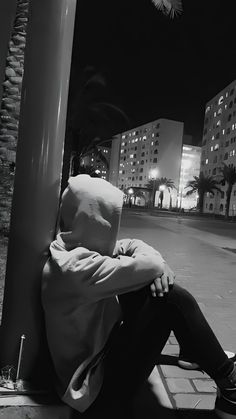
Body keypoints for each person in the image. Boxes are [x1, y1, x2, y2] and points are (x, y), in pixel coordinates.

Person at [41, 175, 236, 419]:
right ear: (94, 221)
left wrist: (157, 266)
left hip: (97, 365)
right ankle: (230, 383)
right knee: (171, 298)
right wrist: (159, 266)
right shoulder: (75, 268)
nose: (115, 228)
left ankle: (201, 356)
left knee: (154, 289)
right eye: (110, 219)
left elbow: (133, 244)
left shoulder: (69, 248)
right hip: (93, 392)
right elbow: (149, 263)